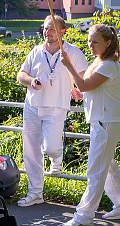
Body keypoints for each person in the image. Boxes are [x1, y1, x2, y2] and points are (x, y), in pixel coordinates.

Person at [59, 24, 120, 226]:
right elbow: (87, 87)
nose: (90, 45)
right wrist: (82, 93)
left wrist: (69, 66)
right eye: (89, 41)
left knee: (95, 170)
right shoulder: (100, 61)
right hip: (103, 122)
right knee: (107, 166)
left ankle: (84, 216)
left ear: (108, 43)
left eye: (95, 42)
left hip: (106, 123)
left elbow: (84, 84)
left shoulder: (109, 64)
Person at [16, 15, 87, 207]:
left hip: (56, 106)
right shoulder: (36, 51)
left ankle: (57, 157)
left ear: (63, 31)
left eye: (53, 29)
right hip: (32, 105)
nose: (48, 33)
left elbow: (83, 78)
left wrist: (77, 89)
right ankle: (35, 192)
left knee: (51, 148)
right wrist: (31, 81)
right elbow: (21, 74)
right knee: (31, 151)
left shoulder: (73, 52)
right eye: (46, 29)